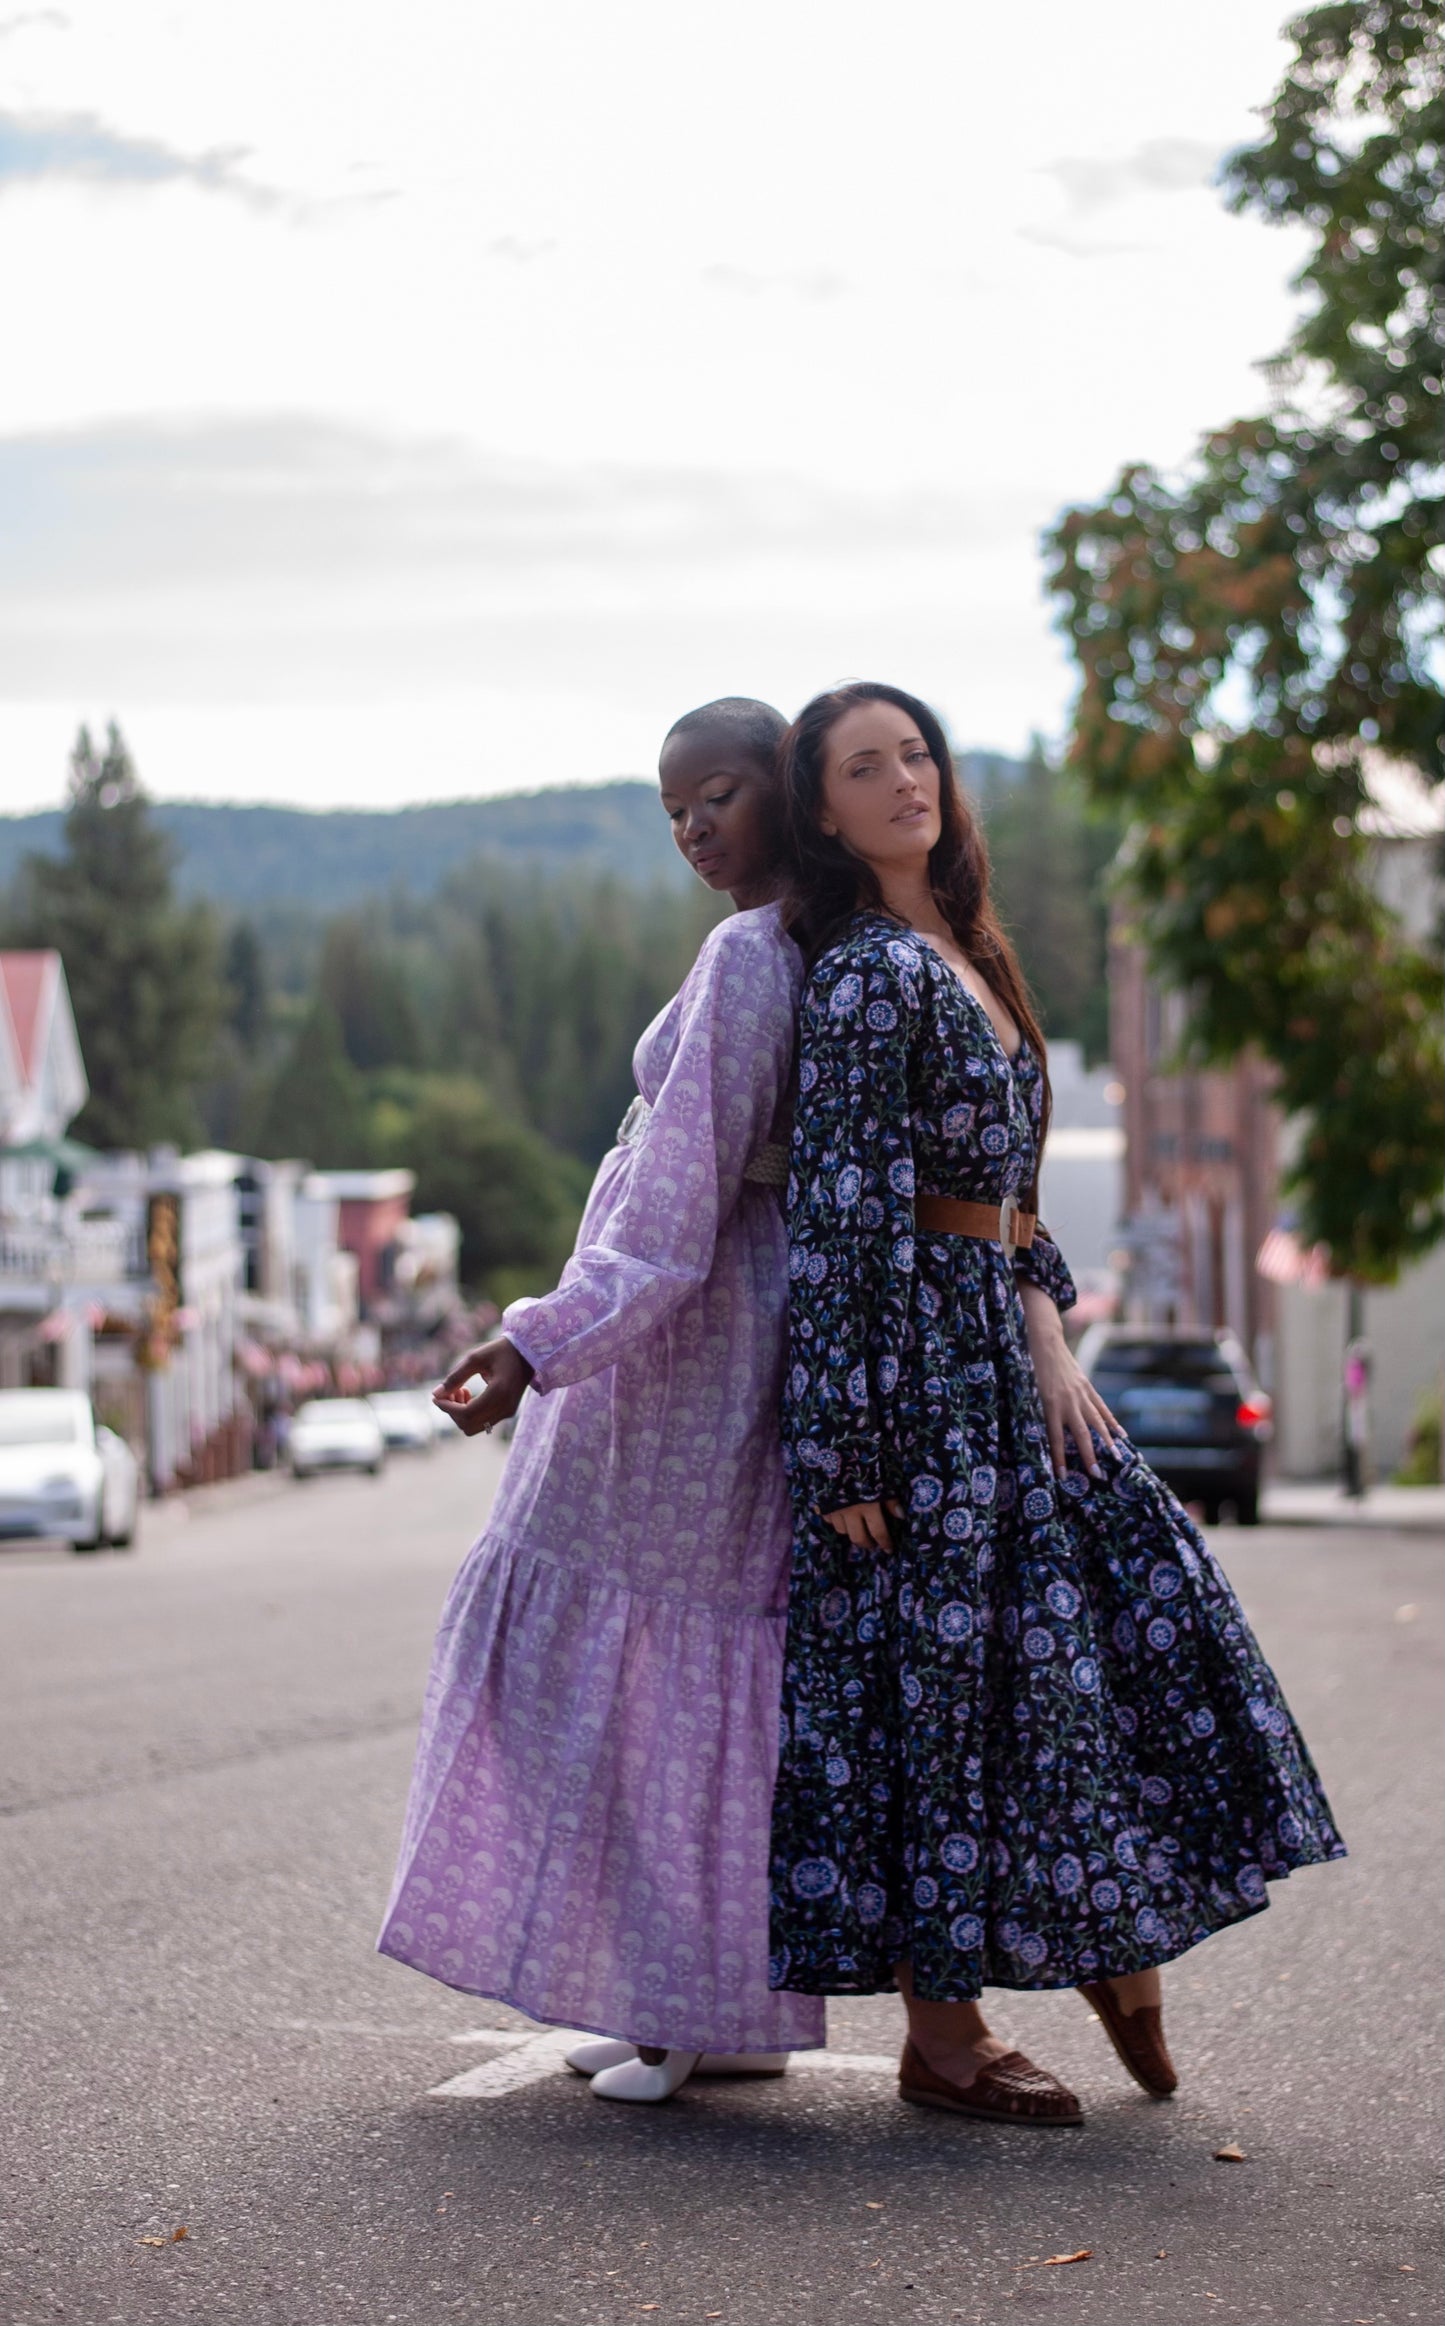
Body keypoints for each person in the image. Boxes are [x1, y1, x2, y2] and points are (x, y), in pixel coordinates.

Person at [768, 682, 1345, 2126]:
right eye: (863, 765)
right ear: (823, 810)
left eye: (915, 753)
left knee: (1120, 1630)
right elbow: (841, 1219)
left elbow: (1006, 1198)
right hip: (913, 1375)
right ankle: (944, 2035)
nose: (904, 779)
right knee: (936, 1700)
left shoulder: (964, 947)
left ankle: (1110, 1931)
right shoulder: (860, 973)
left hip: (1003, 1349)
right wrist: (843, 1436)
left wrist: (1049, 1337)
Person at [378, 698, 826, 2102]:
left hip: (670, 1360)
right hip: (701, 1346)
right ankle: (717, 2007)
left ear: (787, 791)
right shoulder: (792, 940)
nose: (696, 829)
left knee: (617, 1670)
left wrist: (531, 1342)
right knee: (685, 1672)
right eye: (674, 810)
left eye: (721, 796)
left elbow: (673, 1218)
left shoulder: (752, 953)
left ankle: (676, 2009)